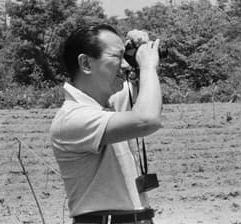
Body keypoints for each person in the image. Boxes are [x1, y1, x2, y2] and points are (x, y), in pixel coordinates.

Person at [50, 23, 162, 224]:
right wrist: (147, 65)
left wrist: (140, 54)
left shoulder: (110, 106)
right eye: (116, 57)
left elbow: (148, 100)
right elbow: (147, 119)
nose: (124, 65)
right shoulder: (73, 117)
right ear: (85, 64)